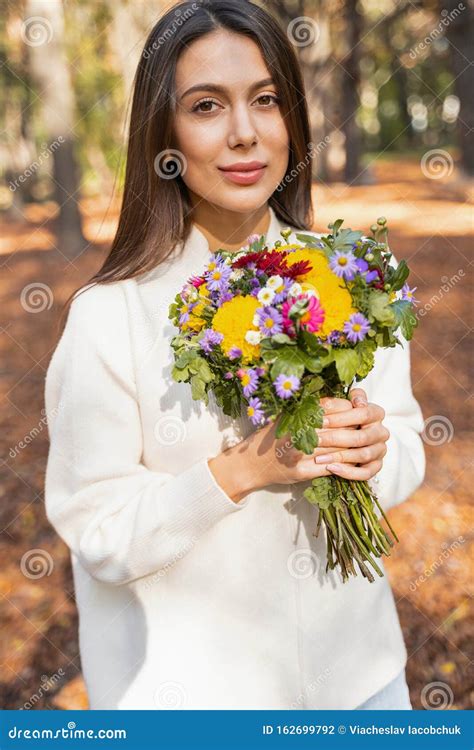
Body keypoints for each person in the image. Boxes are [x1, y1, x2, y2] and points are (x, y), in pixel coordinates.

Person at [44, 0, 425, 710]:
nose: (245, 133)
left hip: (364, 686)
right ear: (163, 133)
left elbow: (405, 443)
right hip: (194, 708)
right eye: (207, 106)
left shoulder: (353, 273)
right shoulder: (111, 316)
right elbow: (97, 529)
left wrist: (376, 454)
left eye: (266, 100)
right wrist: (237, 472)